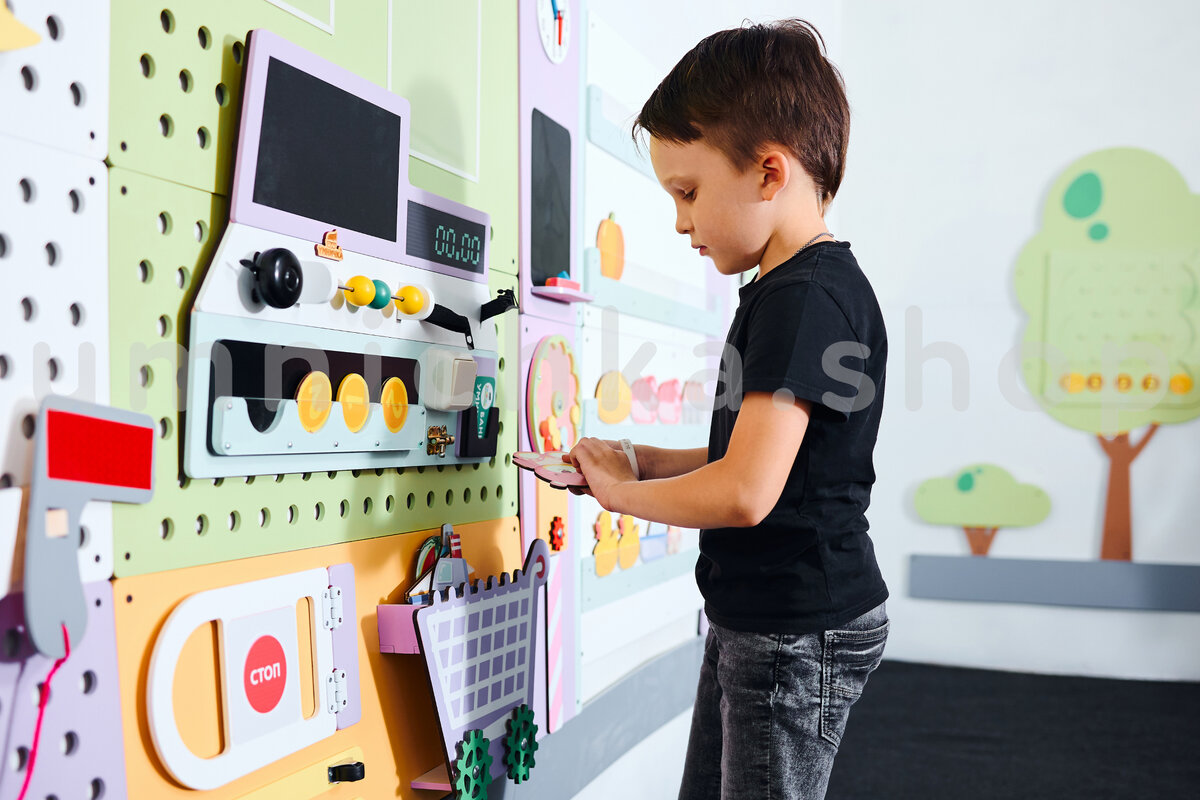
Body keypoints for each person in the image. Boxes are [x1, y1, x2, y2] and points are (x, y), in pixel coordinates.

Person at [564, 19, 889, 800]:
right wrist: (641, 461)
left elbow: (745, 493)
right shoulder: (788, 291)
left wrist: (621, 495)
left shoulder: (806, 299)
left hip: (792, 631)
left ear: (770, 172)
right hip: (766, 617)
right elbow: (753, 462)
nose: (681, 221)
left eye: (688, 192)